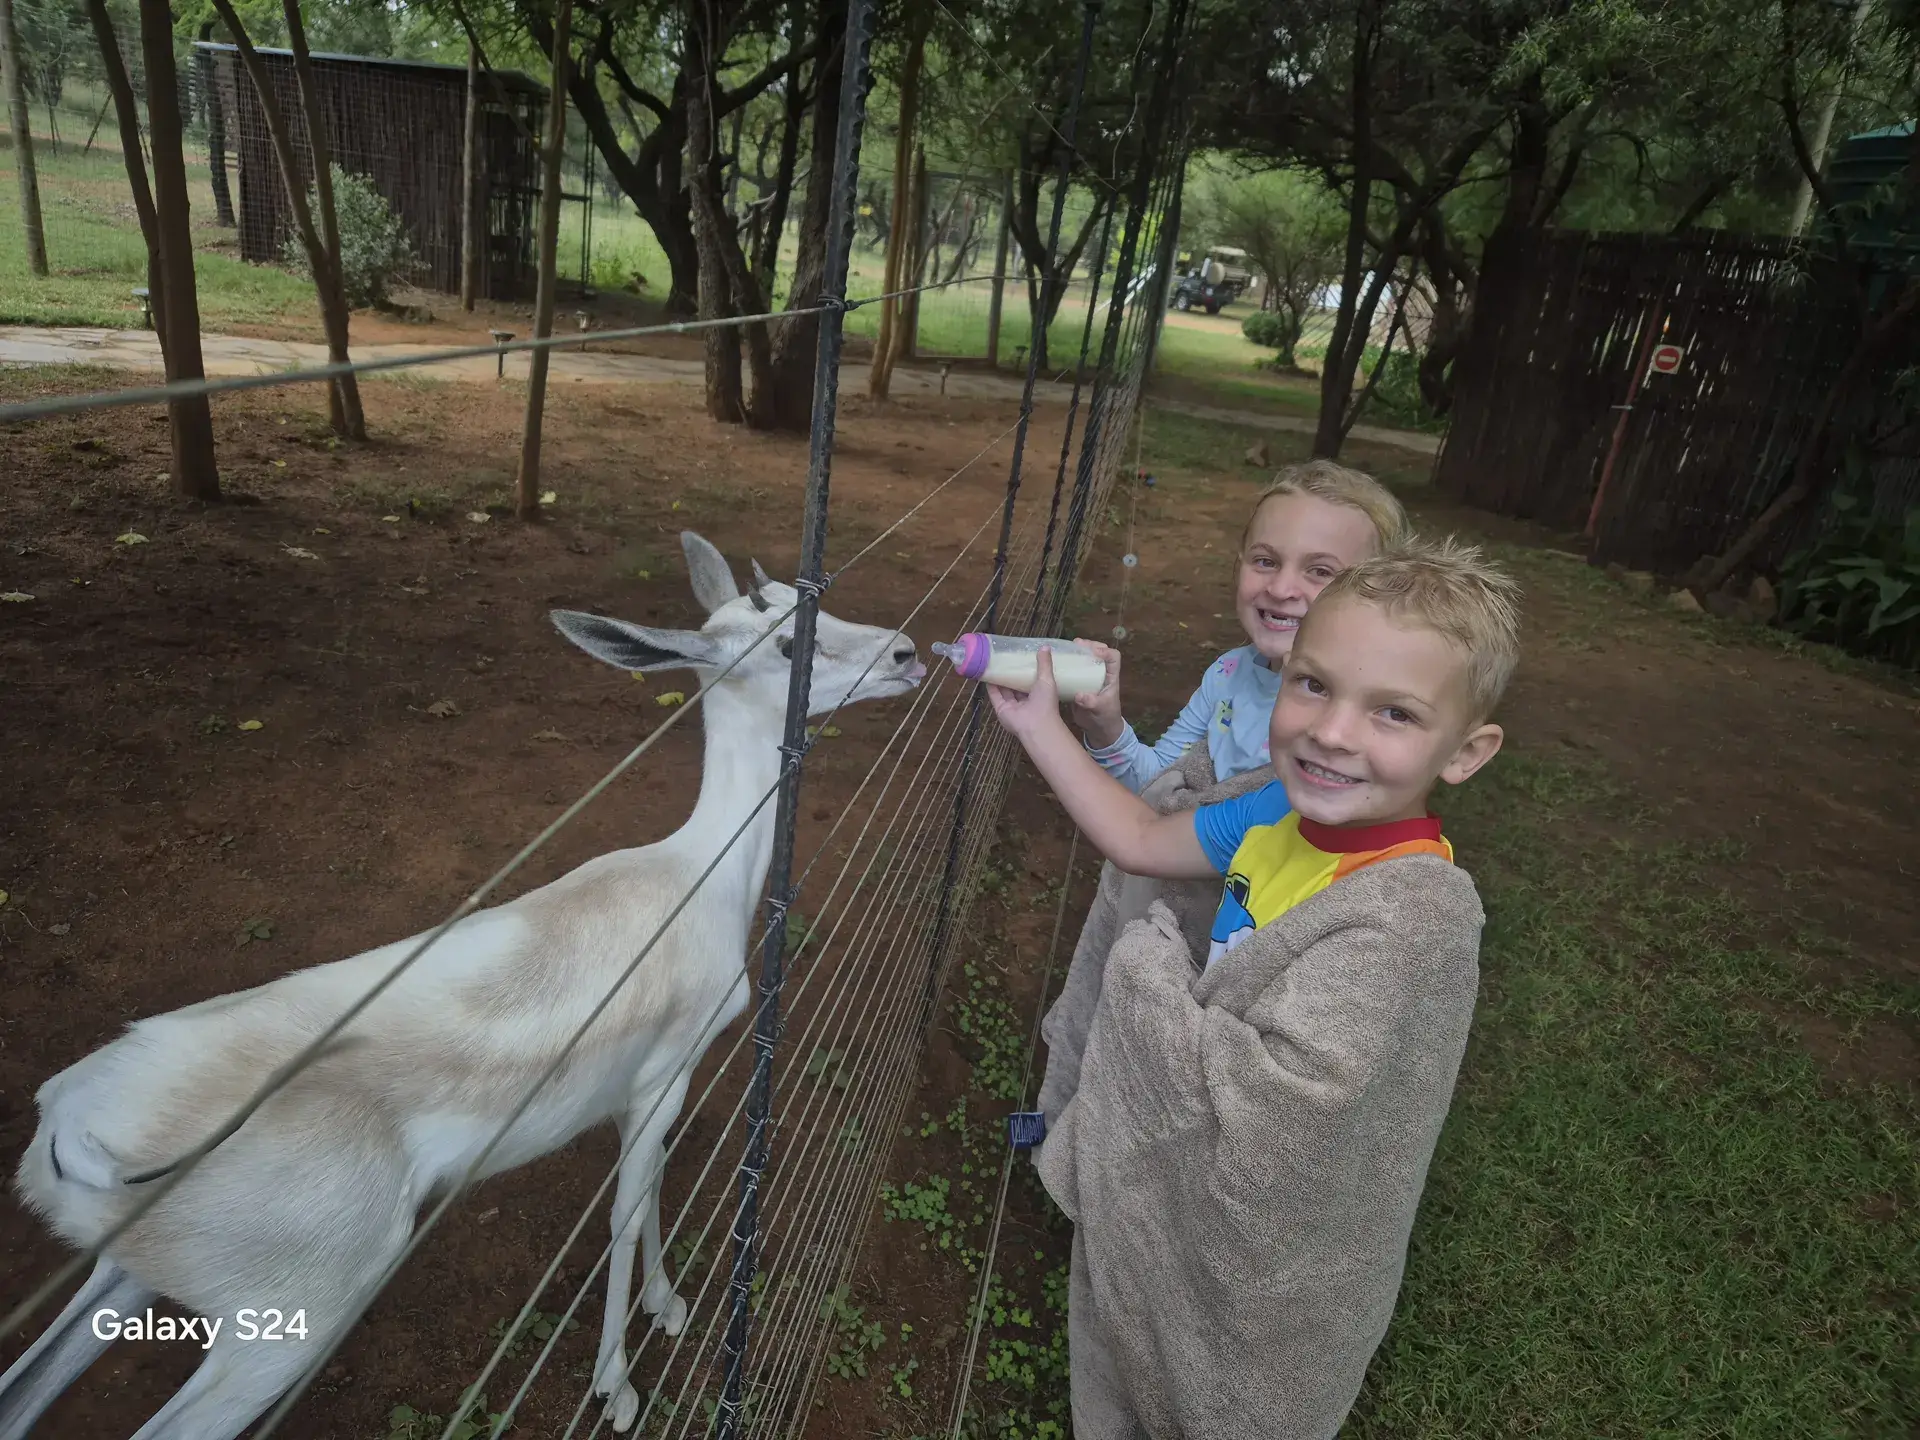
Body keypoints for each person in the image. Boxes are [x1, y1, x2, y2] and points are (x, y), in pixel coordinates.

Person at [988, 538, 1521, 1440]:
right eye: (1313, 685)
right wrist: (1040, 724)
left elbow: (1294, 1112)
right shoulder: (1275, 813)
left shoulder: (1412, 915)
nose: (1332, 731)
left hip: (1268, 1273)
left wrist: (1149, 978)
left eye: (1392, 712)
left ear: (1466, 752)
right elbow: (1140, 840)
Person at [1072, 460, 1409, 794]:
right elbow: (1156, 783)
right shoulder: (1229, 672)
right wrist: (1105, 727)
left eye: (1320, 571)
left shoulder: (1363, 719)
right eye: (1266, 561)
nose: (1280, 589)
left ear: (1378, 593)